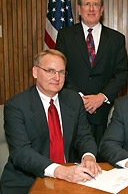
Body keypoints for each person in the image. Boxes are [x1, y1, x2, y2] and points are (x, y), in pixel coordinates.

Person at [0, 50, 102, 194]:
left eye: (61, 72)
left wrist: (89, 157)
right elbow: (21, 152)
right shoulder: (16, 105)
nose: (57, 77)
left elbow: (84, 136)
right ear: (35, 72)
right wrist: (60, 171)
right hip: (27, 182)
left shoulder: (73, 100)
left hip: (69, 179)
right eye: (50, 71)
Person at [55, 0, 128, 145]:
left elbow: (121, 73)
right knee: (72, 159)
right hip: (72, 107)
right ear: (79, 9)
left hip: (102, 111)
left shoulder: (116, 39)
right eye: (87, 4)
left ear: (101, 10)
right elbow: (59, 70)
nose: (91, 9)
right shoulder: (65, 35)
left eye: (96, 5)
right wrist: (80, 97)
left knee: (101, 159)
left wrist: (101, 97)